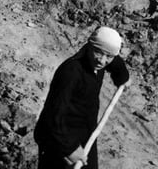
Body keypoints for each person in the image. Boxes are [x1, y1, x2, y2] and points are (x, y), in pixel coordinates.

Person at [34, 26, 130, 169]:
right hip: (58, 137)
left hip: (85, 132)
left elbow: (115, 61)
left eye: (108, 56)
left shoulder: (100, 60)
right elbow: (53, 116)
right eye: (98, 52)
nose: (102, 61)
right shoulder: (71, 72)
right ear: (89, 46)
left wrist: (123, 77)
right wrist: (70, 149)